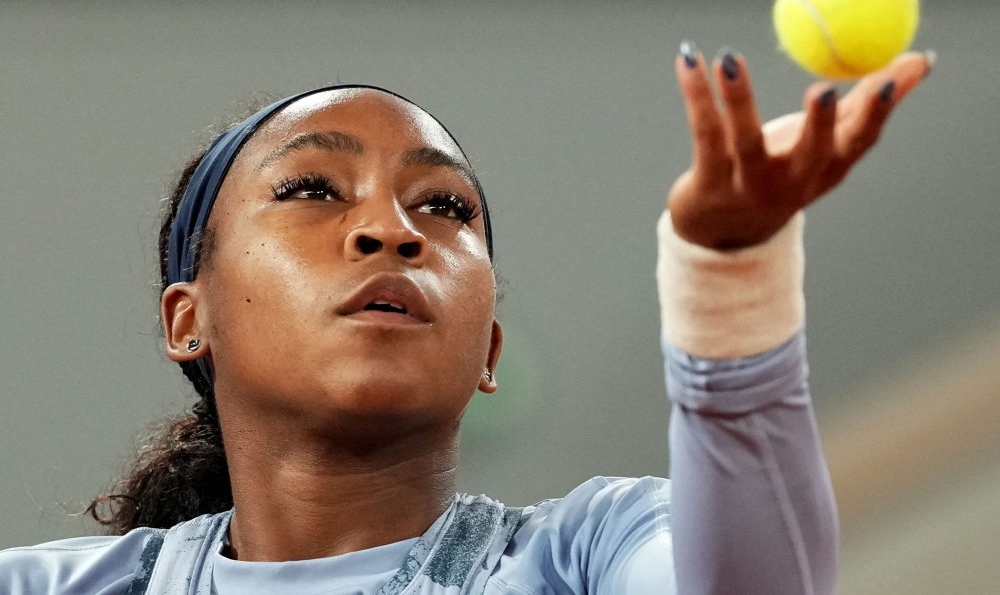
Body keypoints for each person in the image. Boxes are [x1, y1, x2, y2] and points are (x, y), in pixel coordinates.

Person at [0, 45, 932, 595]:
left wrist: (731, 281)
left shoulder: (592, 554)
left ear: (486, 349)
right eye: (313, 189)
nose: (389, 229)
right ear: (186, 319)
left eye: (443, 209)